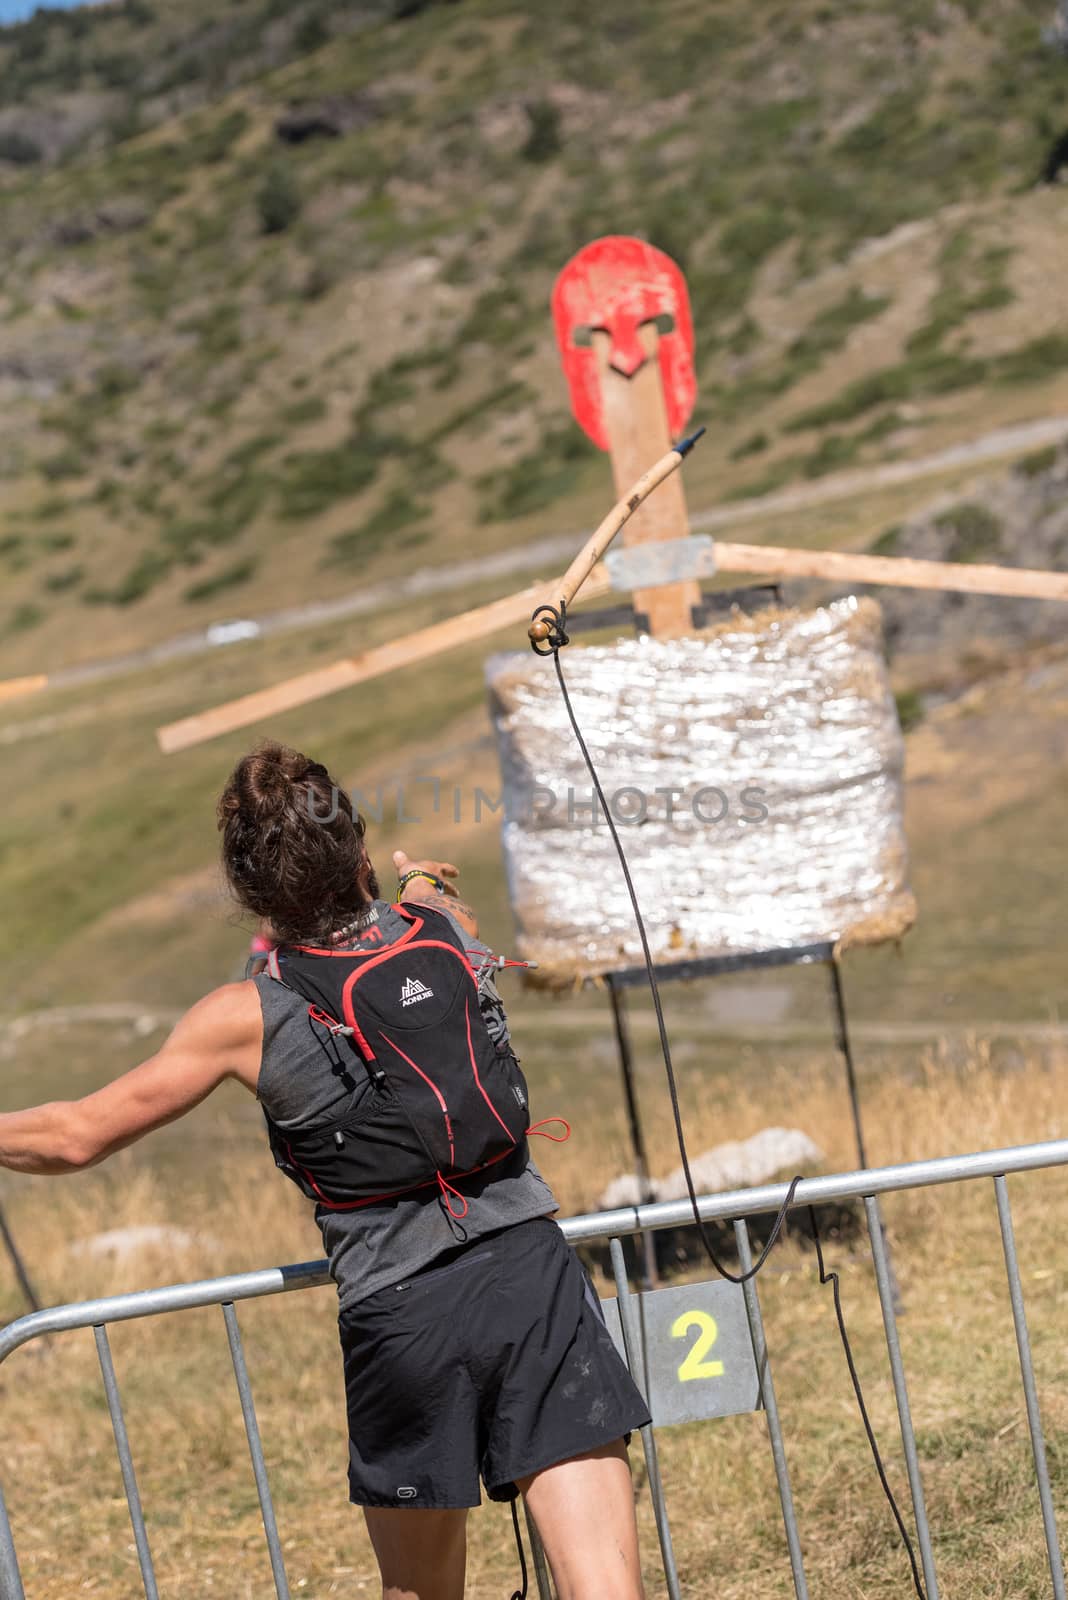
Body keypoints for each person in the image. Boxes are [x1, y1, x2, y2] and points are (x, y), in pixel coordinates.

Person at [0, 741, 650, 1600]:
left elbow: (78, 1135)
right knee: (604, 1585)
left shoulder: (244, 1015)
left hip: (402, 1307)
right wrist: (419, 890)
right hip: (533, 1273)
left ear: (250, 893)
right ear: (359, 852)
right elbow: (426, 909)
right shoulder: (446, 933)